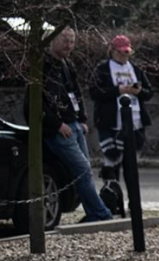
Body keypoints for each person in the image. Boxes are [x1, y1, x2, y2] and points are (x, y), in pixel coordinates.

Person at [27, 26, 112, 223]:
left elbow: (76, 93)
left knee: (84, 171)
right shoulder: (42, 66)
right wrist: (57, 125)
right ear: (52, 40)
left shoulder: (67, 64)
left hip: (74, 124)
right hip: (58, 130)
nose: (69, 45)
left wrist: (81, 118)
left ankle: (94, 212)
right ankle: (101, 213)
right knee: (82, 169)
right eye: (65, 40)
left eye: (72, 41)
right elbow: (35, 103)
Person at [89, 35, 153, 212]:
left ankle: (134, 203)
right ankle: (112, 202)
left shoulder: (136, 69)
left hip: (134, 123)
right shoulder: (102, 69)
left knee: (131, 166)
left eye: (127, 53)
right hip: (111, 123)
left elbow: (149, 92)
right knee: (111, 162)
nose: (125, 56)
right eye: (121, 53)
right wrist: (117, 90)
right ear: (112, 51)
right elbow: (94, 92)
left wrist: (138, 92)